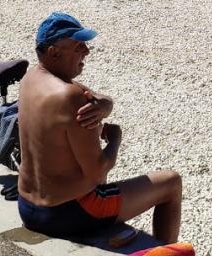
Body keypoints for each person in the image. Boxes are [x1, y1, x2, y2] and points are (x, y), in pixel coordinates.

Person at [18, 13, 183, 243]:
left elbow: (82, 92)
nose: (86, 51)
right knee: (171, 182)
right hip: (67, 212)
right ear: (54, 51)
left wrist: (106, 104)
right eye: (78, 46)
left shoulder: (31, 79)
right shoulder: (72, 97)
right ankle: (169, 250)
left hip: (27, 207)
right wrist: (115, 139)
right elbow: (98, 173)